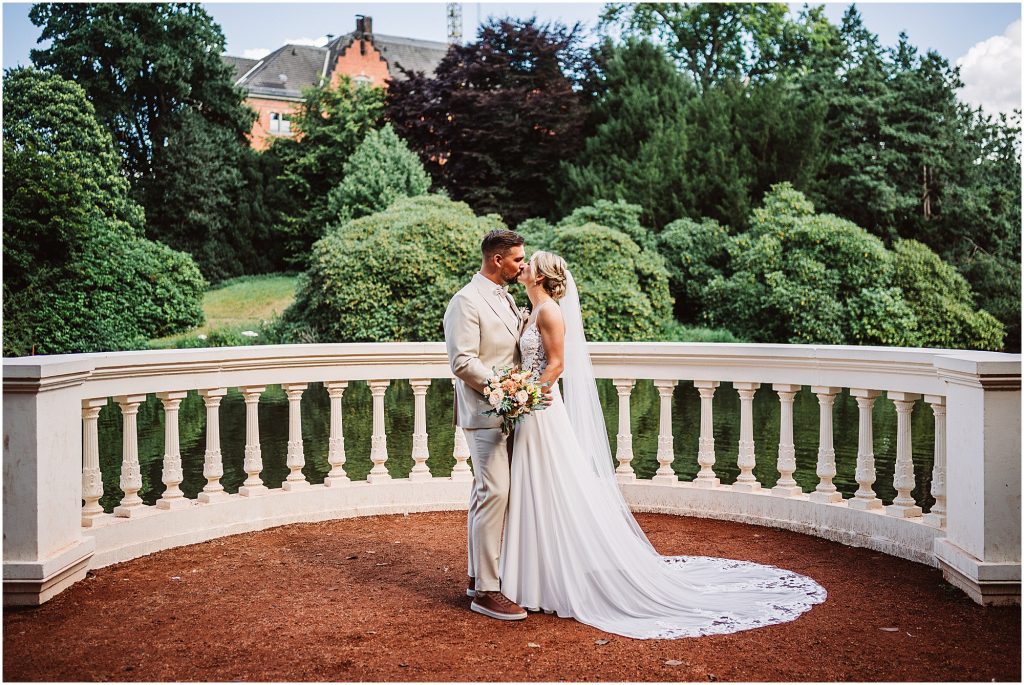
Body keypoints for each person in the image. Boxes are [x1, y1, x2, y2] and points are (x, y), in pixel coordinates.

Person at [499, 250, 827, 638]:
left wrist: (529, 396)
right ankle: (535, 578)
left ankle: (549, 578)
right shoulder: (531, 311)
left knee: (550, 487)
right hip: (531, 411)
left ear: (540, 276)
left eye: (528, 264)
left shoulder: (550, 313)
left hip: (542, 410)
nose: (522, 268)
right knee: (535, 490)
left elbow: (556, 364)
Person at [443, 229, 531, 621]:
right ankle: (487, 592)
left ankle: (477, 576)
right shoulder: (465, 301)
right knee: (494, 491)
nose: (522, 265)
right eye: (517, 259)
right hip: (484, 412)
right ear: (497, 259)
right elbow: (462, 361)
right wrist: (504, 389)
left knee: (487, 494)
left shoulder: (507, 297)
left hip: (511, 410)